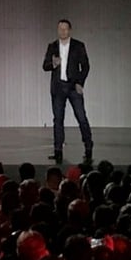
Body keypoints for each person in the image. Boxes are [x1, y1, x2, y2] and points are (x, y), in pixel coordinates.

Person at [42, 19, 93, 164]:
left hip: (73, 87)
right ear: (57, 30)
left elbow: (86, 66)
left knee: (81, 118)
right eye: (60, 29)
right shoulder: (52, 46)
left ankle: (88, 147)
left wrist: (80, 83)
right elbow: (44, 66)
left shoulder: (78, 46)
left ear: (70, 30)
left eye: (65, 29)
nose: (62, 31)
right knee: (58, 120)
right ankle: (58, 151)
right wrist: (53, 63)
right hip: (58, 88)